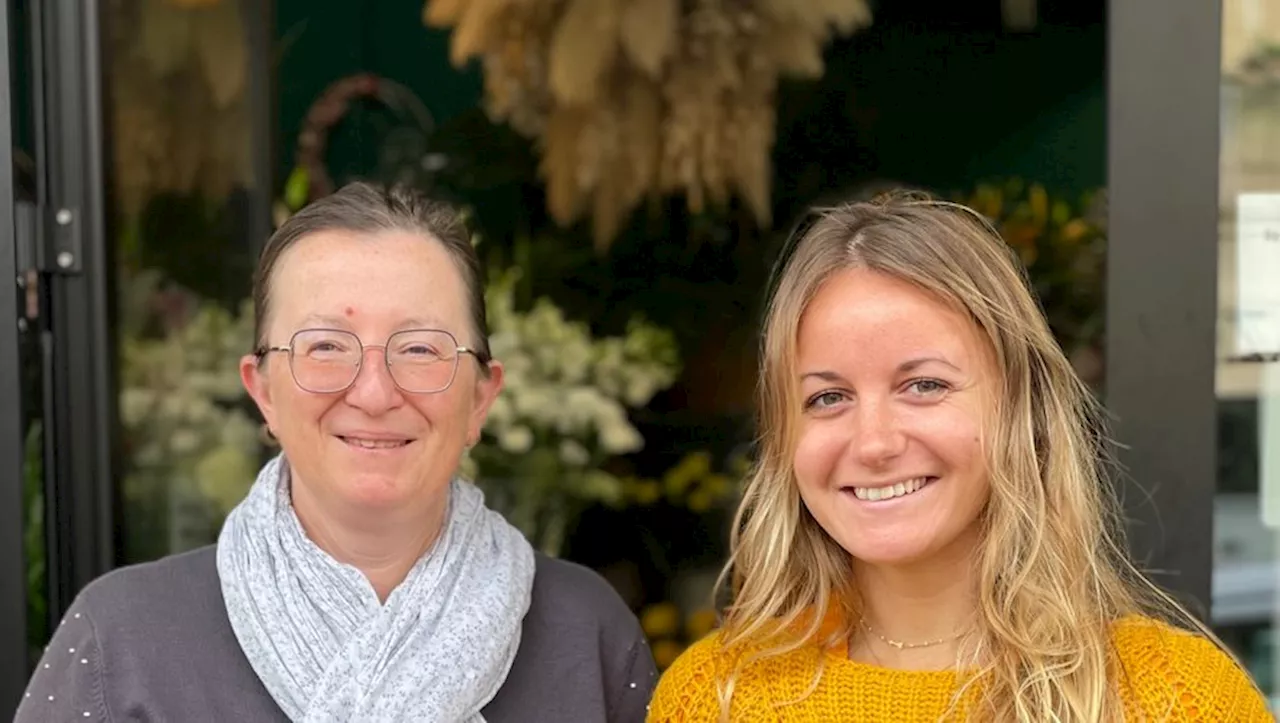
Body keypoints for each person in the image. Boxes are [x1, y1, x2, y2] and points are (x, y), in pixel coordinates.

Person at [17, 181, 657, 722]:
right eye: (325, 347)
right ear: (262, 390)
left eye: (420, 349)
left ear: (482, 398)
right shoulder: (123, 642)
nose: (375, 393)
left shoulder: (585, 633)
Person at [647, 193, 1272, 722]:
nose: (875, 442)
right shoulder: (714, 699)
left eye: (925, 385)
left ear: (1021, 409)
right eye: (828, 396)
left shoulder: (1174, 699)